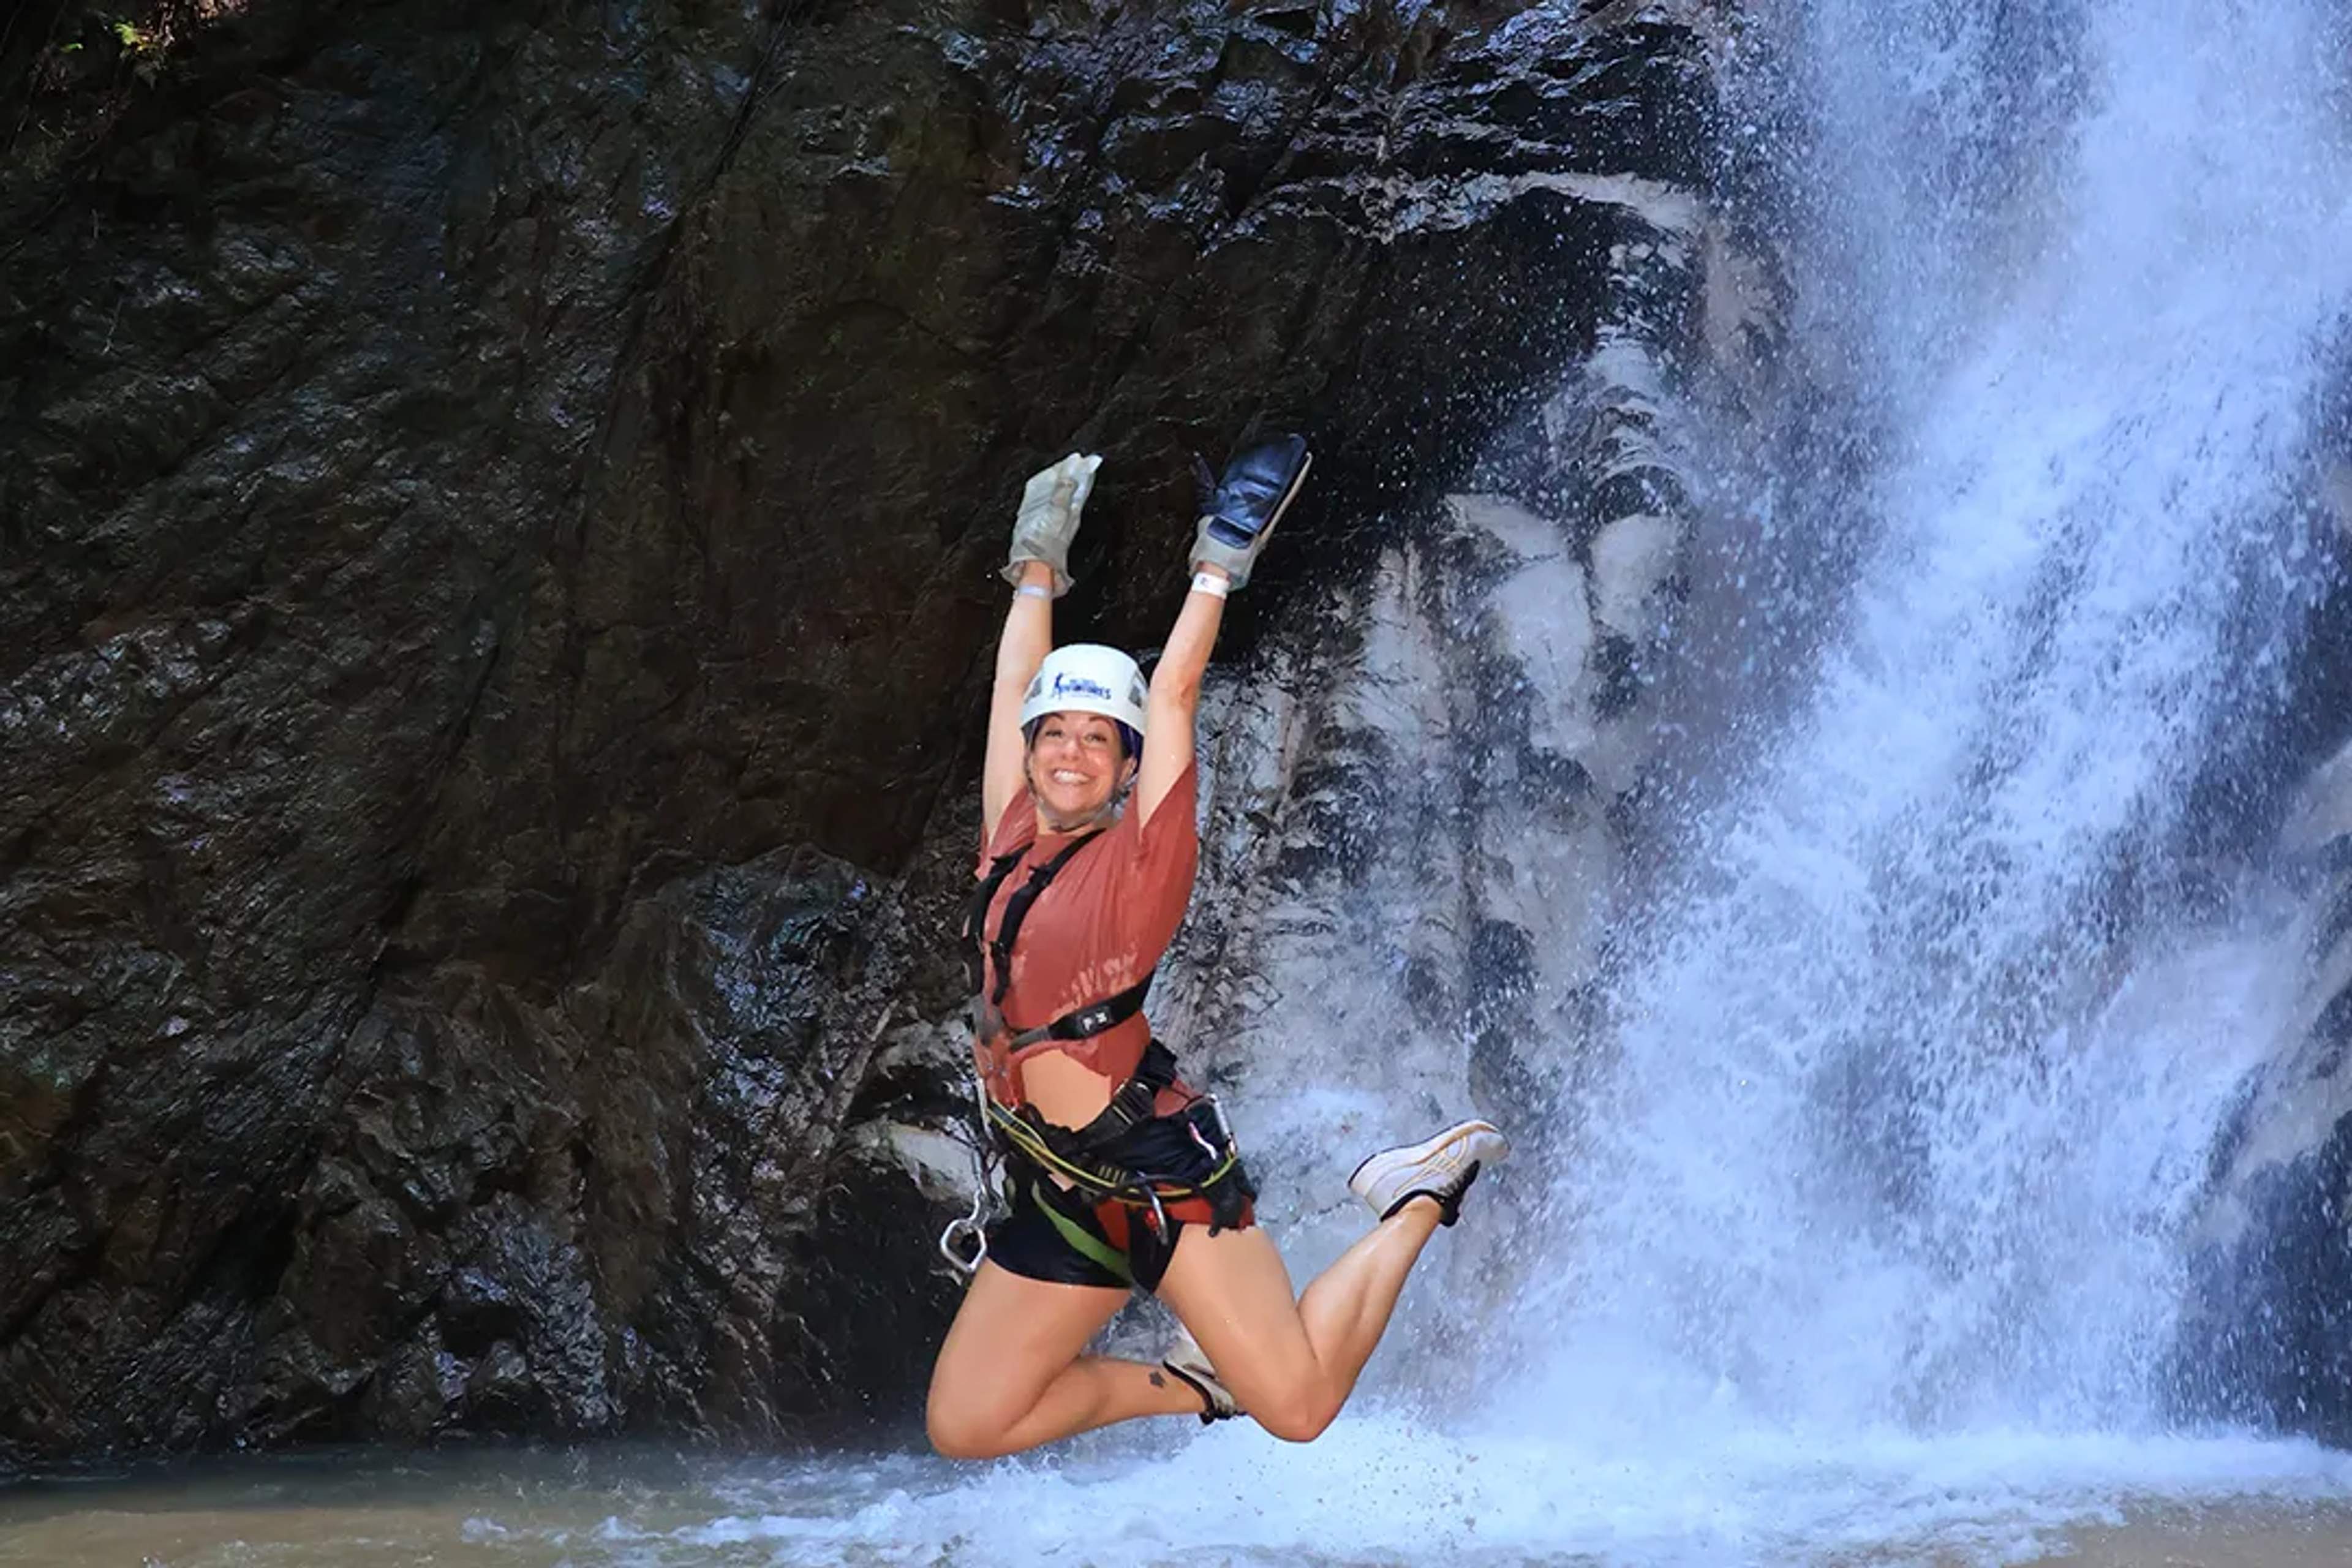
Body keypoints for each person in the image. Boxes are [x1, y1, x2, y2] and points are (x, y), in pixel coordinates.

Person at [924, 437, 1510, 1459]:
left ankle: (1417, 1197)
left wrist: (1216, 566)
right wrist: (1033, 573)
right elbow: (1011, 687)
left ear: (1123, 773)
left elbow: (1176, 695)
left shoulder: (1142, 865)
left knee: (1301, 1410)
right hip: (1059, 1184)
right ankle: (1197, 1387)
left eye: (1096, 742)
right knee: (968, 1424)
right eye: (1054, 736)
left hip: (1157, 1180)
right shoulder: (1011, 834)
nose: (1069, 752)